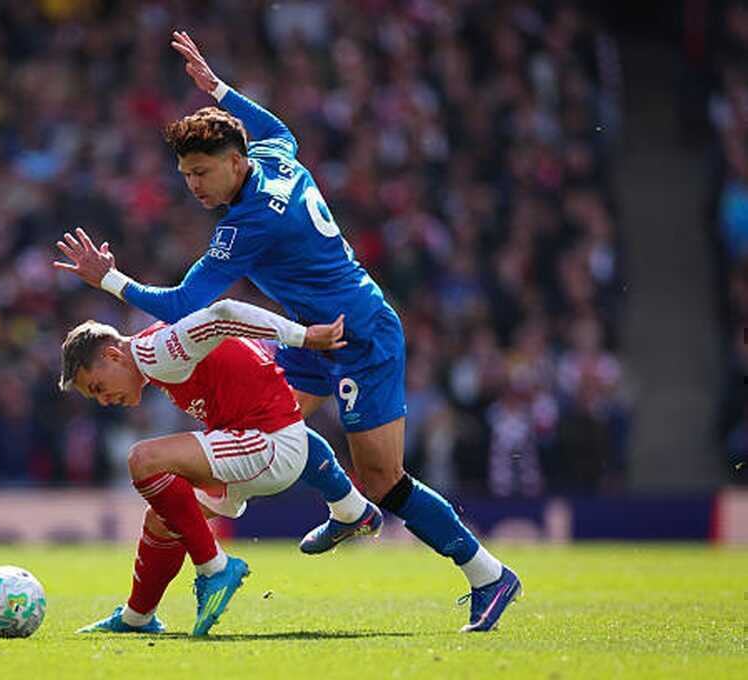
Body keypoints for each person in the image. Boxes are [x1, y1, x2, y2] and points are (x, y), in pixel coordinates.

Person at [54, 30, 521, 632]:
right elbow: (279, 128)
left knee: (384, 477)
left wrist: (110, 280)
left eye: (201, 172)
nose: (194, 186)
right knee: (272, 423)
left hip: (359, 335)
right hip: (315, 325)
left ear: (234, 163)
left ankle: (487, 574)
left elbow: (184, 305)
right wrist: (218, 89)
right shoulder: (275, 156)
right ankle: (347, 509)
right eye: (185, 175)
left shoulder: (248, 224)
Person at [62, 298, 378, 636]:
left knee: (143, 459)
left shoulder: (158, 350)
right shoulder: (157, 355)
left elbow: (224, 313)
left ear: (113, 356)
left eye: (98, 388)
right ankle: (137, 617)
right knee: (162, 519)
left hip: (268, 443)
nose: (104, 400)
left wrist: (304, 337)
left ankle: (214, 568)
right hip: (252, 440)